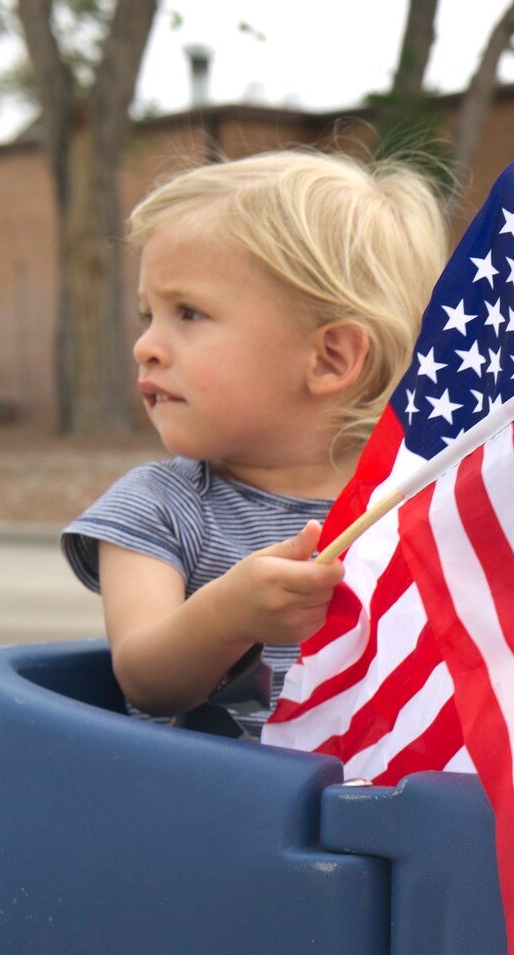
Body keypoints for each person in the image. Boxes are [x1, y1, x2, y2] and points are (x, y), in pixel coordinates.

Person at [62, 151, 446, 736]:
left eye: (187, 313)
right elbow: (144, 677)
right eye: (149, 315)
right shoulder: (160, 506)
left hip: (388, 817)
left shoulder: (422, 507)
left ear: (330, 357)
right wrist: (228, 615)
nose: (146, 346)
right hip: (220, 814)